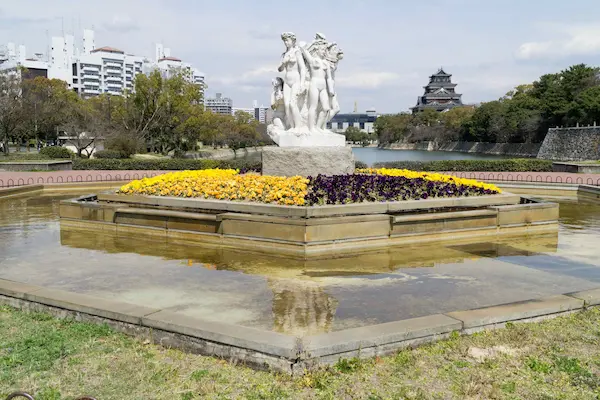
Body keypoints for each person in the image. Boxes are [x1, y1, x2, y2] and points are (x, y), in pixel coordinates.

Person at [299, 42, 334, 133]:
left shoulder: (326, 63)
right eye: (322, 50)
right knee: (313, 107)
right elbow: (304, 50)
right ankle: (311, 128)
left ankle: (318, 127)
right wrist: (309, 44)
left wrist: (331, 89)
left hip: (323, 87)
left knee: (326, 108)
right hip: (314, 84)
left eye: (325, 50)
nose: (324, 52)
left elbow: (329, 77)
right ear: (317, 50)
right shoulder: (313, 60)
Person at [278, 32, 307, 130]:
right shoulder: (285, 54)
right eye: (284, 41)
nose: (286, 42)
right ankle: (291, 127)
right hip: (287, 81)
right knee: (286, 105)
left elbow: (302, 68)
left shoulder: (297, 52)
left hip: (295, 80)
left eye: (287, 40)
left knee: (292, 104)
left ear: (293, 41)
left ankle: (298, 126)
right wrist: (283, 62)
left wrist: (302, 84)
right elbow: (280, 69)